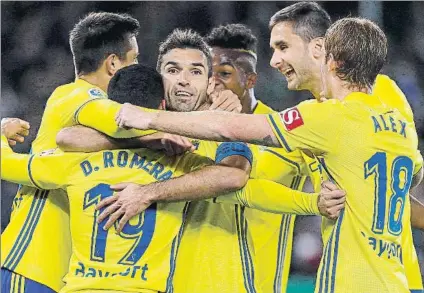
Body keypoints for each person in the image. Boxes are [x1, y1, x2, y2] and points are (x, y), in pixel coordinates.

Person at [113, 17, 423, 293]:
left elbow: (231, 133)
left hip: (349, 280)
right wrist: (315, 200)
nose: (276, 60)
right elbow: (406, 178)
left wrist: (148, 118)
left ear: (330, 61)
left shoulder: (326, 117)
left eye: (283, 47)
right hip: (397, 277)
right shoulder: (398, 121)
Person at [0, 12, 194, 293]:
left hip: (63, 275)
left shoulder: (90, 133)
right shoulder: (77, 96)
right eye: (135, 58)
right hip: (30, 265)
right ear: (113, 63)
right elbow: (117, 117)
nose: (139, 66)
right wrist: (165, 128)